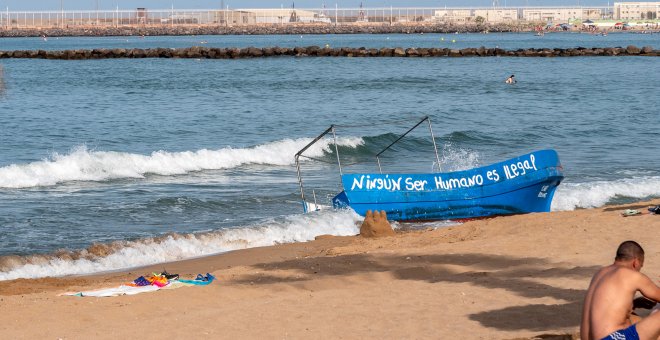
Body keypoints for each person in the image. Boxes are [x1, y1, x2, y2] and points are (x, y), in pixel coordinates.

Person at [581, 241, 660, 340]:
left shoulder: (600, 273)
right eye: (640, 266)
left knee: (634, 318)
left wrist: (634, 304)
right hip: (612, 338)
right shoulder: (631, 275)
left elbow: (605, 309)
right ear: (636, 263)